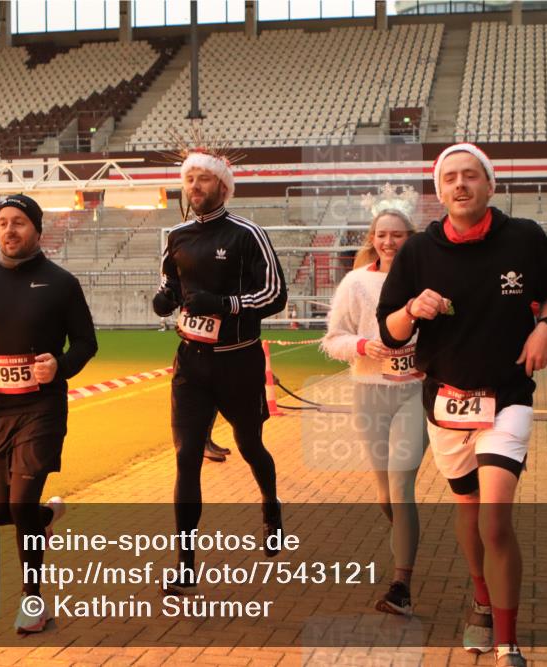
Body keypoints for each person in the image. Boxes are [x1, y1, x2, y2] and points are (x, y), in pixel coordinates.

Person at [377, 143, 547, 667]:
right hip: (445, 402)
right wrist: (412, 309)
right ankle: (481, 599)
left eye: (470, 176)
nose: (459, 185)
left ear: (490, 185)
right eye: (449, 179)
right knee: (468, 508)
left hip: (507, 397)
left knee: (495, 519)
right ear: (439, 192)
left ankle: (509, 642)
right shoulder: (418, 253)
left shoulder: (524, 238)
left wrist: (546, 328)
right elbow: (390, 332)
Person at [0, 193, 98, 634]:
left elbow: (86, 343)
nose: (9, 230)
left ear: (37, 229)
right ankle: (45, 518)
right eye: (2, 223)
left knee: (20, 502)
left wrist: (61, 366)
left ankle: (33, 601)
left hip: (41, 407)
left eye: (19, 222)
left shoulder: (61, 282)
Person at [151, 144, 288, 593]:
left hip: (238, 362)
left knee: (250, 446)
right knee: (186, 456)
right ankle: (185, 563)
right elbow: (170, 282)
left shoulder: (247, 234)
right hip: (191, 363)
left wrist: (225, 305)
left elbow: (275, 295)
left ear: (222, 186)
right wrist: (165, 299)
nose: (195, 186)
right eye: (189, 179)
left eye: (204, 179)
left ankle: (270, 505)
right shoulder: (176, 235)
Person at [322, 198, 426, 616]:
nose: (389, 242)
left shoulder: (428, 280)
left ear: (410, 239)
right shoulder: (355, 284)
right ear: (372, 240)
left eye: (397, 235)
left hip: (415, 393)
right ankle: (406, 532)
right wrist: (365, 345)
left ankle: (401, 583)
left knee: (401, 489)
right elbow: (332, 339)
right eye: (382, 235)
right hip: (369, 391)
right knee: (385, 495)